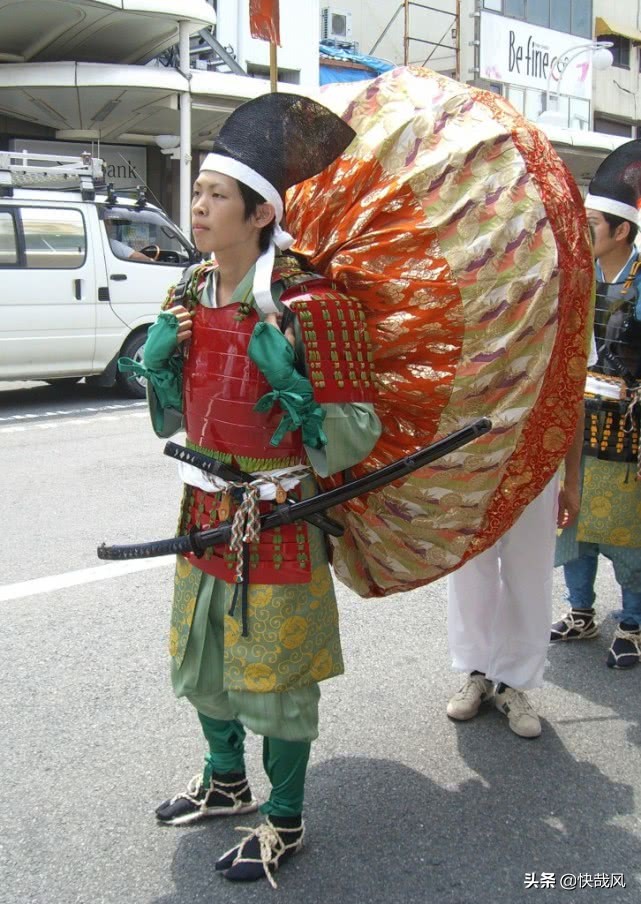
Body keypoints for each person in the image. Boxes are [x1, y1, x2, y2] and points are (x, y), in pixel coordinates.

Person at [119, 93, 381, 886]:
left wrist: (293, 386)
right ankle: (225, 778)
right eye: (195, 191)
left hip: (279, 515)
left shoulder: (313, 307)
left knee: (276, 678)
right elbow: (176, 416)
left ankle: (285, 817)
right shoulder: (187, 294)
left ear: (261, 212)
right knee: (202, 659)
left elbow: (354, 434)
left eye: (214, 195)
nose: (197, 206)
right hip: (202, 506)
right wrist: (157, 371)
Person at [552, 140, 641, 670]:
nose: (582, 236)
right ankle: (581, 611)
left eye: (592, 227)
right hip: (579, 421)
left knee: (629, 532)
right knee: (573, 523)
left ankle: (632, 622)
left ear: (622, 231)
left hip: (630, 428)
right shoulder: (577, 281)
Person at [446, 409, 584, 738]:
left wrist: (573, 479)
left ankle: (512, 683)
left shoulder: (564, 351)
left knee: (529, 575)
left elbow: (572, 398)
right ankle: (477, 673)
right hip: (473, 456)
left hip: (536, 461)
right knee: (470, 571)